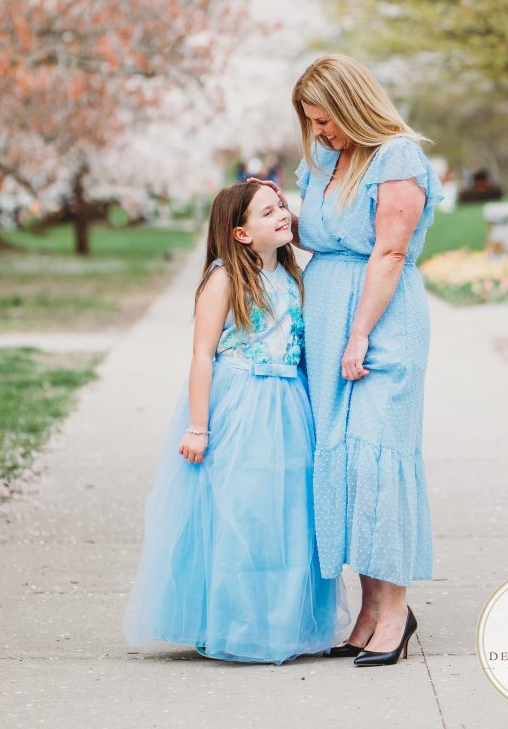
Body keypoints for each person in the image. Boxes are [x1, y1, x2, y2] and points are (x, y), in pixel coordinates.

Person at [249, 54, 445, 668]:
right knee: (342, 461)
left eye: (325, 119)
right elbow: (322, 235)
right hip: (330, 323)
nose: (320, 132)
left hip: (380, 325)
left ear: (354, 105)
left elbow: (388, 252)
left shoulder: (398, 158)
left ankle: (396, 613)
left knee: (379, 458)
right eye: (312, 122)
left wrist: (359, 333)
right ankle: (368, 610)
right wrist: (261, 212)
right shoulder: (331, 160)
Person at [122, 180, 350, 664]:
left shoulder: (291, 275)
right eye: (267, 213)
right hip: (243, 403)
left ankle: (283, 623)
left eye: (281, 206)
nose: (282, 215)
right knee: (241, 508)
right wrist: (198, 426)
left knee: (288, 513)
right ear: (242, 233)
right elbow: (202, 356)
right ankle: (231, 621)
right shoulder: (224, 278)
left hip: (290, 403)